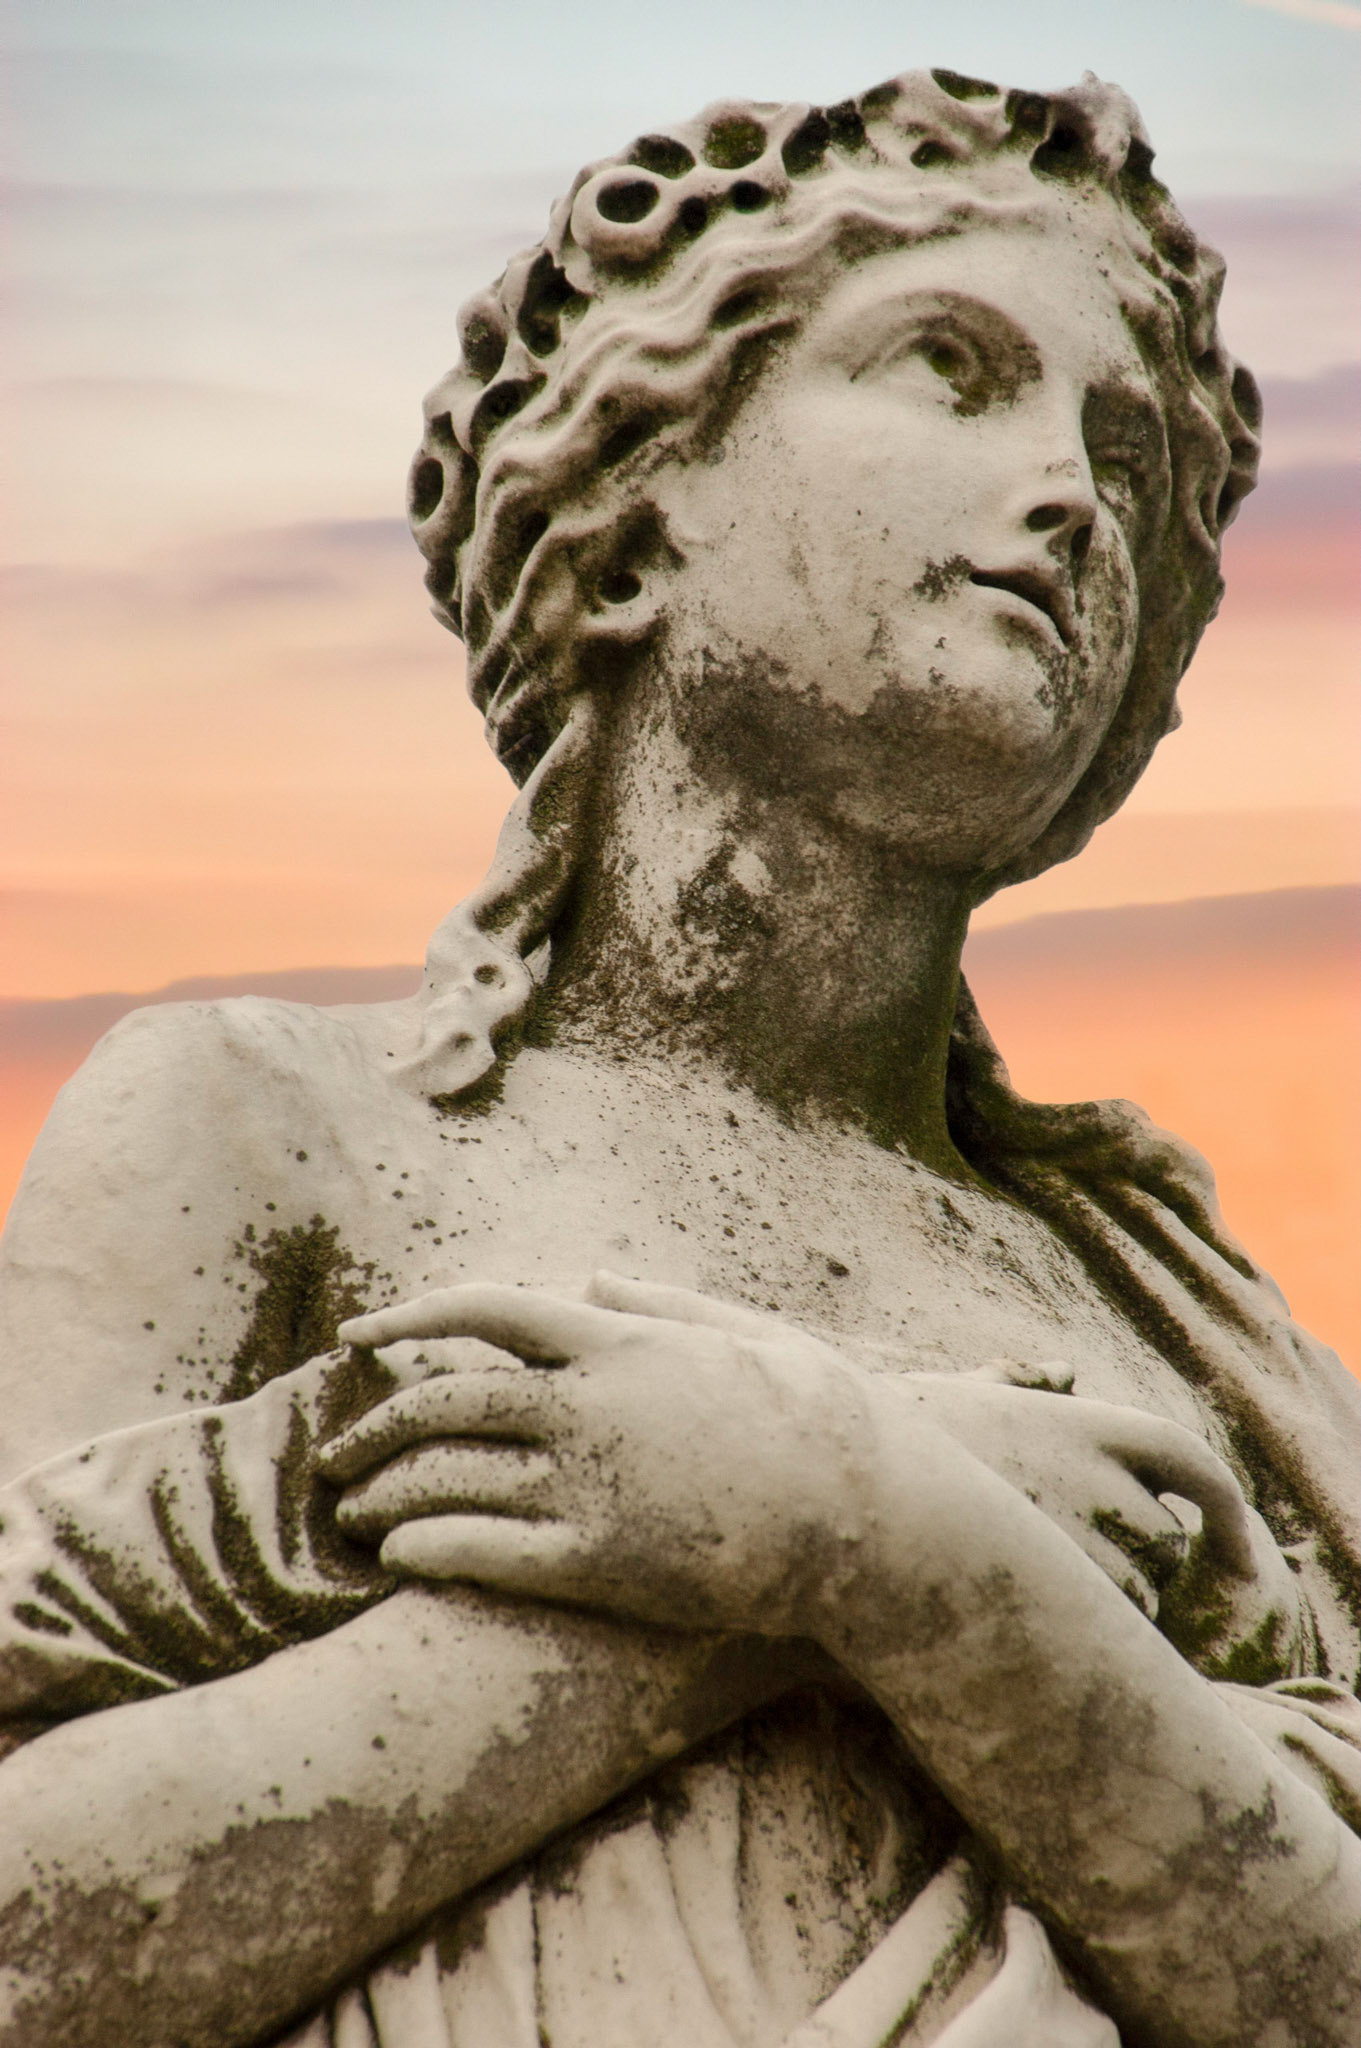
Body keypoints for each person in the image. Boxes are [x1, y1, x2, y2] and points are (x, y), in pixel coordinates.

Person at [1, 67, 1357, 2048]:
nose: (1075, 486)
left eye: (1128, 451)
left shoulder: (1190, 1329)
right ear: (633, 524)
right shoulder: (271, 1130)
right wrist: (806, 1553)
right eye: (950, 367)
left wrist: (883, 1539)